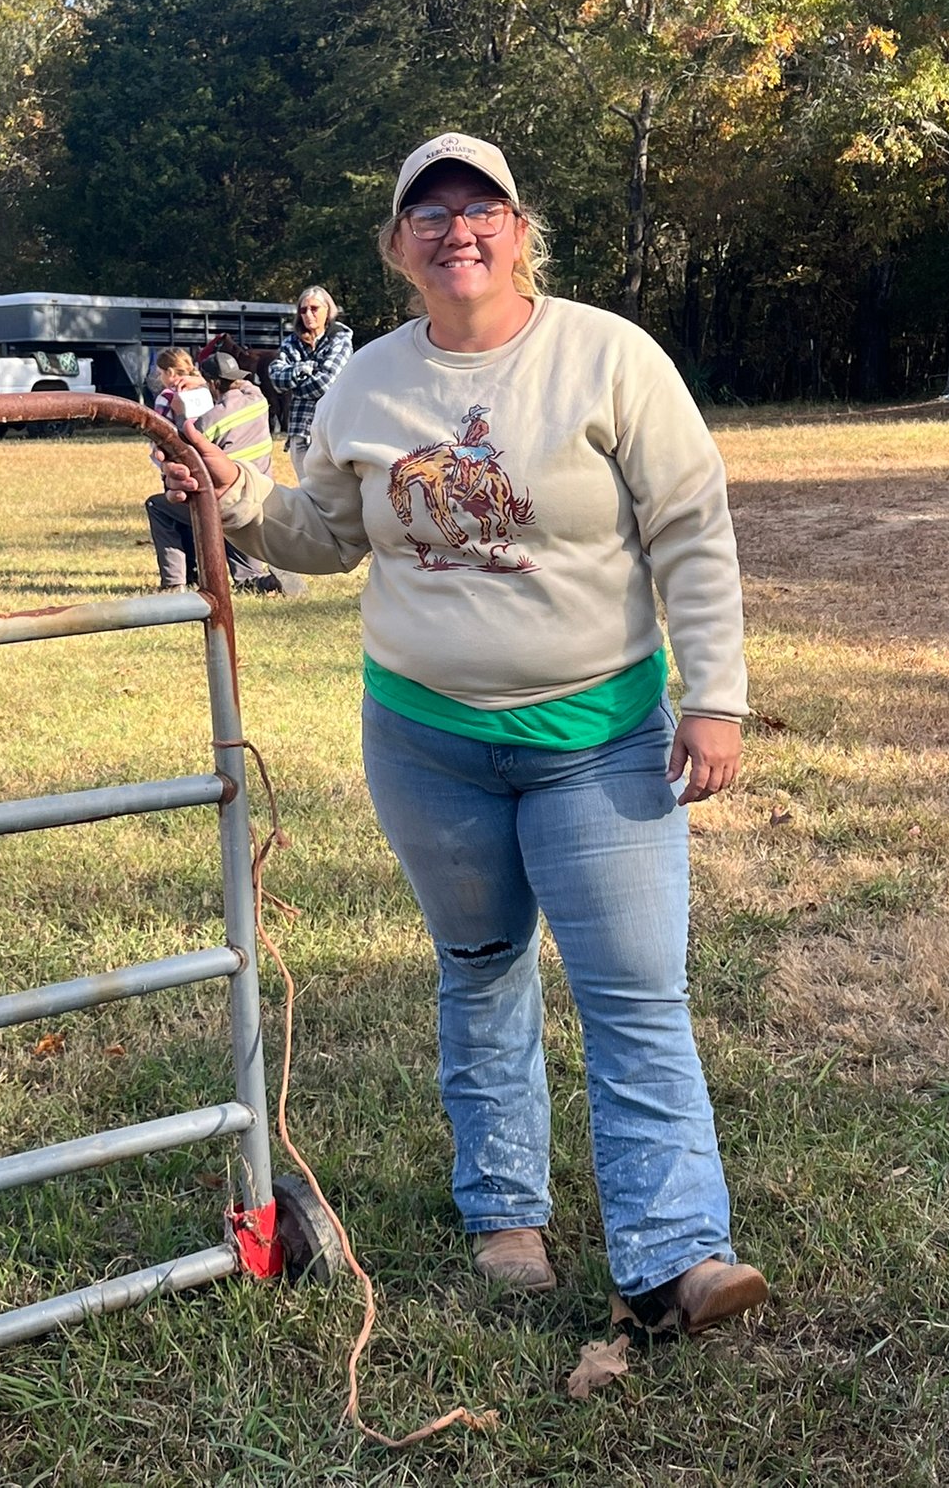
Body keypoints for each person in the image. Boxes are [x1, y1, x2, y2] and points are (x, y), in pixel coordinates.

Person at [161, 132, 768, 1333]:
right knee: (482, 969)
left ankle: (677, 1253)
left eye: (479, 206)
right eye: (427, 214)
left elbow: (691, 529)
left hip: (601, 732)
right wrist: (227, 499)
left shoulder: (608, 356)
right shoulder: (367, 383)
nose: (457, 230)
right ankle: (505, 1215)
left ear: (519, 227)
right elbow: (325, 534)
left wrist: (714, 695)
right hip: (428, 740)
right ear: (397, 247)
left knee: (635, 989)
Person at [145, 350, 297, 596]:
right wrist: (203, 381)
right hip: (260, 499)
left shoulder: (211, 419)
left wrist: (182, 411)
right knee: (248, 577)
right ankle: (265, 582)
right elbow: (246, 384)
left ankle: (175, 582)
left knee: (159, 506)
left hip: (226, 505)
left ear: (213, 384)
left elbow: (184, 452)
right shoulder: (256, 399)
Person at [267, 287, 353, 479]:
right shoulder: (291, 342)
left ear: (328, 311)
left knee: (332, 497)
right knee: (306, 495)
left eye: (314, 308)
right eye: (303, 310)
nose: (308, 314)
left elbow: (325, 384)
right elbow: (275, 378)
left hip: (330, 431)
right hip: (299, 430)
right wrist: (303, 369)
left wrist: (293, 386)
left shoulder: (341, 339)